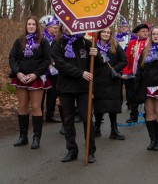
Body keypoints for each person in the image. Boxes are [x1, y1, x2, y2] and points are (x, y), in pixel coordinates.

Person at [52, 26, 101, 163]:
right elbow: (60, 65)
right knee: (68, 119)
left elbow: (98, 65)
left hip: (83, 88)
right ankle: (72, 150)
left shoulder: (86, 43)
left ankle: (90, 151)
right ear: (62, 27)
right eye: (65, 26)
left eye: (71, 26)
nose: (68, 28)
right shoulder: (57, 44)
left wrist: (96, 56)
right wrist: (80, 73)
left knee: (87, 119)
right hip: (65, 87)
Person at [9, 16, 51, 149]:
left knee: (36, 107)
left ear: (36, 27)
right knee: (22, 107)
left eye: (33, 24)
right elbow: (12, 58)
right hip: (21, 78)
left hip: (36, 78)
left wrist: (35, 74)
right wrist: (18, 72)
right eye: (29, 24)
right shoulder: (19, 41)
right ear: (26, 26)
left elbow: (47, 60)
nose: (31, 26)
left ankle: (36, 137)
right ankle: (23, 137)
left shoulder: (43, 42)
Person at [93, 27, 128, 140]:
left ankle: (114, 130)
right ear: (99, 33)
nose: (106, 34)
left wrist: (115, 69)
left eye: (108, 32)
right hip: (97, 80)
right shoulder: (93, 45)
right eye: (104, 32)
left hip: (112, 81)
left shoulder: (115, 45)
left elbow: (124, 60)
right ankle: (96, 128)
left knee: (113, 106)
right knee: (98, 105)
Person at [122, 23, 150, 123]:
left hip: (146, 74)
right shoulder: (132, 43)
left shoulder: (150, 43)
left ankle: (148, 115)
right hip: (133, 73)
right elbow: (127, 60)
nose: (146, 33)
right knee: (133, 96)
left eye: (147, 32)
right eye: (143, 31)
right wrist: (125, 72)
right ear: (138, 33)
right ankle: (134, 116)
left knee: (147, 96)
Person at [39, 15, 62, 123]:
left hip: (54, 71)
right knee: (41, 93)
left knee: (53, 93)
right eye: (54, 28)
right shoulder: (40, 39)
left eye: (58, 28)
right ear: (48, 28)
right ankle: (39, 113)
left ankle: (50, 114)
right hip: (42, 70)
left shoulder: (59, 40)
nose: (57, 30)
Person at [115, 14, 136, 109]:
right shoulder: (115, 38)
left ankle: (130, 103)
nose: (123, 28)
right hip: (118, 64)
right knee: (118, 86)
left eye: (125, 26)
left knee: (129, 85)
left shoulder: (133, 37)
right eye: (121, 27)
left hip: (129, 64)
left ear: (128, 28)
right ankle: (118, 105)